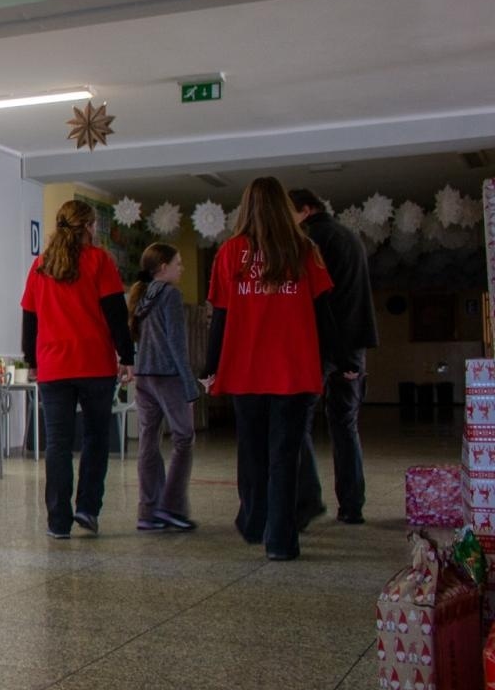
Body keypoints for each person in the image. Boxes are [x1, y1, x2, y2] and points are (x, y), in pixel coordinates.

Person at [203, 177, 356, 562]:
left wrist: (209, 367)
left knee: (252, 451)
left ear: (246, 208)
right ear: (284, 209)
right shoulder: (303, 249)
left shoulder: (229, 252)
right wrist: (344, 359)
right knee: (285, 457)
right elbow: (325, 313)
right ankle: (281, 542)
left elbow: (219, 317)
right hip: (293, 370)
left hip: (245, 370)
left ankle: (255, 522)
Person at [20, 200, 135, 539]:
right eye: (95, 224)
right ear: (87, 227)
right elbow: (115, 312)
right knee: (96, 437)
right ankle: (87, 508)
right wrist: (127, 357)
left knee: (57, 443)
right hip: (94, 363)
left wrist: (32, 361)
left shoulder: (40, 265)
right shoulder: (99, 261)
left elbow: (29, 317)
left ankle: (58, 521)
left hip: (54, 367)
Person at [288, 188, 378, 525]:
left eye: (289, 213)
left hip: (323, 343)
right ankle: (352, 506)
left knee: (297, 420)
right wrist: (350, 358)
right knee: (345, 424)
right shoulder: (349, 237)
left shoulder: (310, 241)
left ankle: (307, 500)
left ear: (306, 211)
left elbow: (318, 301)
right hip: (354, 343)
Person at [126, 243, 199, 532]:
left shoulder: (143, 297)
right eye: (178, 263)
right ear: (162, 267)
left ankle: (148, 511)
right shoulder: (170, 295)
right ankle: (172, 507)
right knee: (184, 438)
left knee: (148, 442)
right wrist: (190, 387)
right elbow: (177, 346)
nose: (182, 268)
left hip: (144, 377)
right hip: (168, 376)